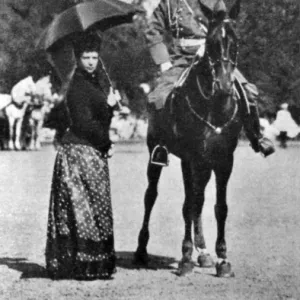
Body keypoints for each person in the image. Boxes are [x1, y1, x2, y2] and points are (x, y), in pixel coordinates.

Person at [143, 0, 275, 166]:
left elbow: (226, 24)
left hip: (214, 57)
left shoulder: (214, 2)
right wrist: (163, 60)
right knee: (159, 97)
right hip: (181, 59)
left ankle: (256, 137)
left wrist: (218, 44)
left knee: (248, 92)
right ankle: (161, 145)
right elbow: (152, 30)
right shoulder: (169, 4)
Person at [45, 32, 121, 280]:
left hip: (92, 152)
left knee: (94, 208)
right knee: (82, 210)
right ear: (77, 59)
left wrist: (109, 106)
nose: (91, 61)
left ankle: (94, 262)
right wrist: (106, 137)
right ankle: (80, 264)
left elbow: (100, 118)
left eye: (94, 57)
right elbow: (83, 124)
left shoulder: (94, 81)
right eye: (86, 57)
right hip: (79, 153)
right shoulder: (77, 86)